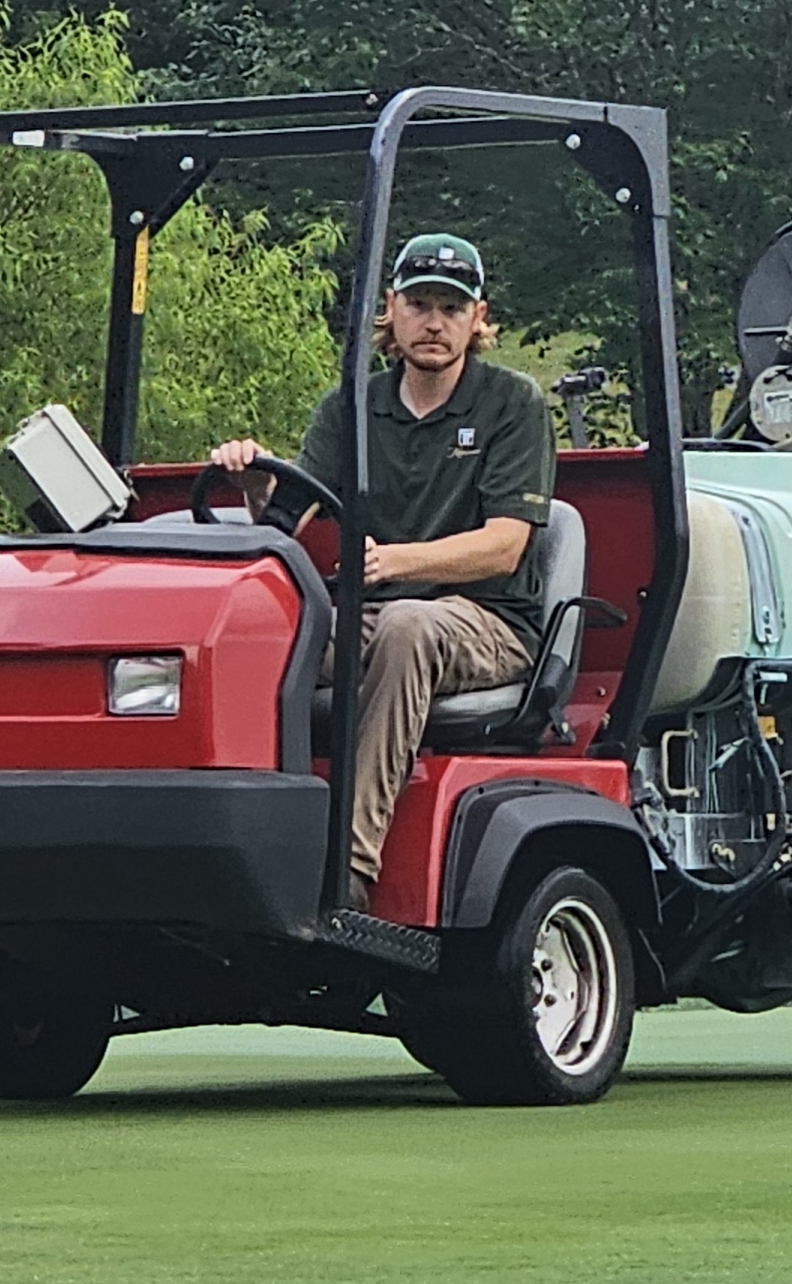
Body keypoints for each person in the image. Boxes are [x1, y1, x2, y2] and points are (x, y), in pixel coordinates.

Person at [210, 232, 551, 912]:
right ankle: (227, 841)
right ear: (391, 309)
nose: (434, 323)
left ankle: (348, 869)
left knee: (407, 626)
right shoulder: (351, 406)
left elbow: (505, 546)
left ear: (478, 319)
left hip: (489, 621)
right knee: (256, 639)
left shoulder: (512, 403)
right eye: (420, 305)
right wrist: (253, 483)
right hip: (374, 613)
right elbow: (286, 520)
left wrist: (396, 560)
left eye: (451, 308)